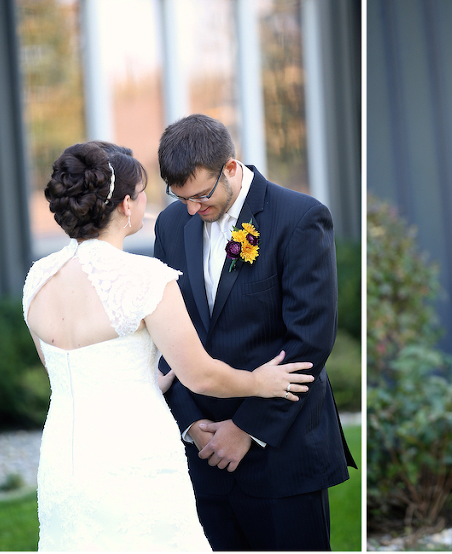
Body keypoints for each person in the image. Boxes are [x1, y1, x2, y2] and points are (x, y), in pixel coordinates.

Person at [23, 141, 315, 551]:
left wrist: (146, 382)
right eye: (143, 193)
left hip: (64, 464)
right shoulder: (144, 278)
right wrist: (259, 382)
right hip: (134, 458)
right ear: (126, 205)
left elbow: (67, 373)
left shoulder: (37, 278)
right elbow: (201, 375)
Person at [153, 114, 355, 551]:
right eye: (180, 197)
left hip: (282, 456)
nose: (192, 209)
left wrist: (245, 428)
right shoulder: (169, 225)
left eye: (201, 196)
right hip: (202, 458)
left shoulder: (299, 218)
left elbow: (310, 340)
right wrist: (191, 424)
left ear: (230, 167)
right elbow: (165, 335)